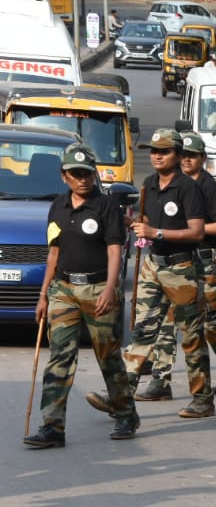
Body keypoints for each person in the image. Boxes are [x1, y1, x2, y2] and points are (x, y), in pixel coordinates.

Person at [24, 144, 138, 447]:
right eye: (75, 174)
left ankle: (126, 414)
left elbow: (115, 251)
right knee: (60, 358)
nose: (82, 179)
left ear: (94, 175)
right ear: (64, 176)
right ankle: (52, 427)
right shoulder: (58, 206)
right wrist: (43, 295)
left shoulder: (107, 207)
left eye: (86, 173)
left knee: (108, 357)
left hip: (98, 289)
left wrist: (111, 288)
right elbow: (53, 252)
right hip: (64, 290)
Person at [140, 132, 216, 402]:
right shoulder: (164, 184)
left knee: (210, 324)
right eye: (186, 156)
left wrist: (190, 228)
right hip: (174, 263)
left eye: (192, 156)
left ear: (202, 158)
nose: (188, 161)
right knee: (166, 322)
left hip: (203, 262)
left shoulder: (205, 186)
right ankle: (160, 380)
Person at [118, 128, 214, 419]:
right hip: (153, 265)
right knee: (143, 330)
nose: (157, 156)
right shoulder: (149, 183)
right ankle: (121, 396)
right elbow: (146, 219)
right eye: (154, 151)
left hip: (181, 268)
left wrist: (156, 232)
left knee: (191, 336)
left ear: (178, 154)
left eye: (164, 151)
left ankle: (203, 399)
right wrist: (131, 222)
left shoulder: (188, 187)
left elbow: (197, 232)